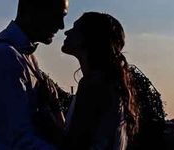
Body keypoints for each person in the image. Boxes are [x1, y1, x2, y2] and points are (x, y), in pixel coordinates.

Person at [0, 0, 72, 149]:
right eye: (57, 16)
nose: (61, 26)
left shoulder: (25, 56)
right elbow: (19, 140)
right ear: (33, 10)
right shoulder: (4, 57)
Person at [54, 12, 139, 150]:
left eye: (75, 29)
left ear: (88, 38)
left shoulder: (93, 84)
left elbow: (74, 144)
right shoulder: (108, 83)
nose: (66, 32)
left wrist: (45, 120)